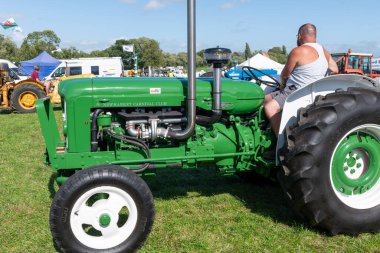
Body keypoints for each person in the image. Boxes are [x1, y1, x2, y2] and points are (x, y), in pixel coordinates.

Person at [264, 23, 338, 137]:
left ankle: (281, 141)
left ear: (299, 36)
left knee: (269, 107)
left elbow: (284, 75)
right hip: (314, 91)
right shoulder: (323, 50)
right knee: (264, 99)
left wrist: (282, 86)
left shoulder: (298, 51)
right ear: (315, 36)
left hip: (296, 91)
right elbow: (335, 69)